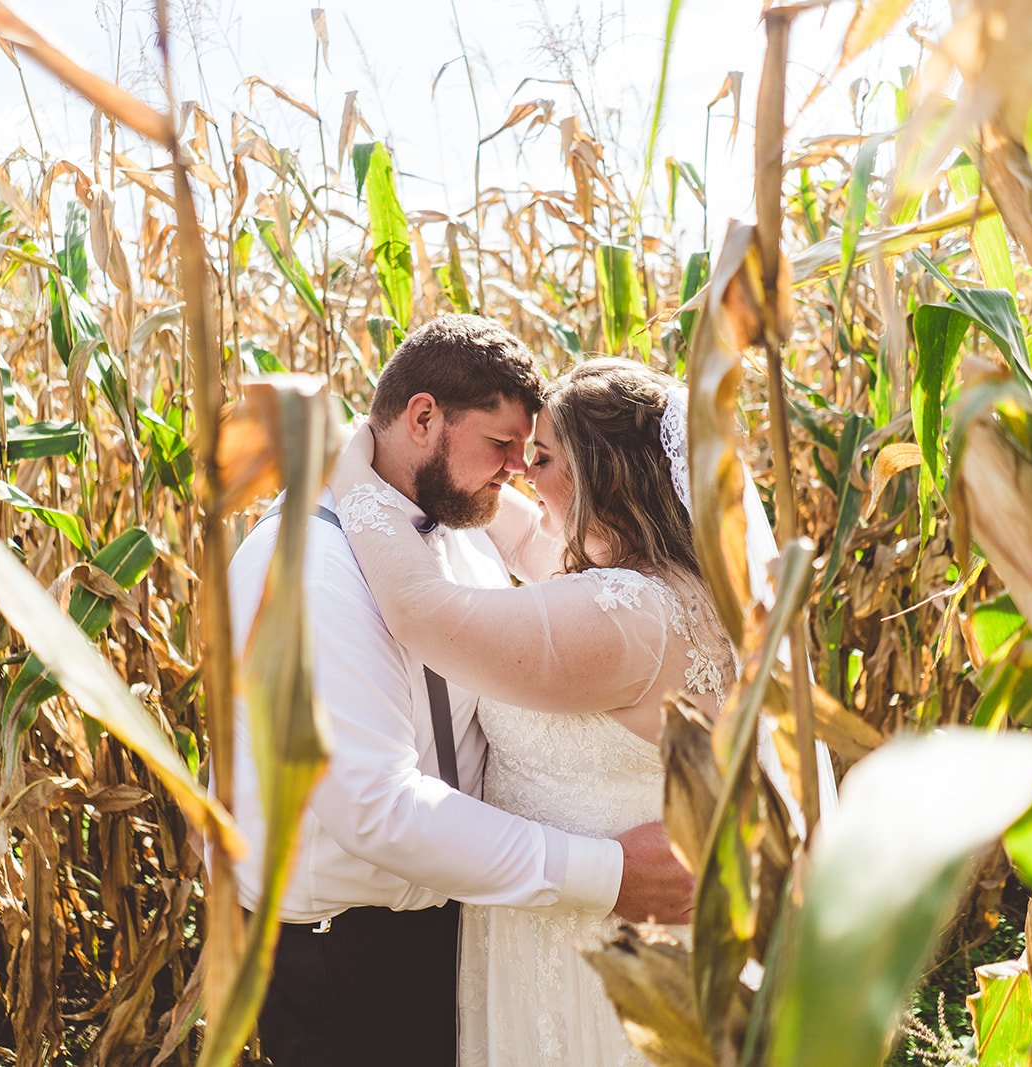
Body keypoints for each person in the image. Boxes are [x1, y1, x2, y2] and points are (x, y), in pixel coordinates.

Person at [224, 318, 694, 1067]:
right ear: (422, 417)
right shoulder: (311, 572)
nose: (518, 470)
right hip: (349, 958)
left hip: (472, 922)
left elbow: (566, 565)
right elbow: (377, 809)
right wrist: (606, 872)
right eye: (503, 446)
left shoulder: (461, 521)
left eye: (529, 451)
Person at [327, 357, 744, 1066]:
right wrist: (466, 483)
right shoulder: (676, 587)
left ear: (600, 479)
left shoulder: (620, 616)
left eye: (542, 457)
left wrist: (352, 471)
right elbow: (529, 537)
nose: (521, 470)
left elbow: (421, 612)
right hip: (631, 933)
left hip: (592, 952)